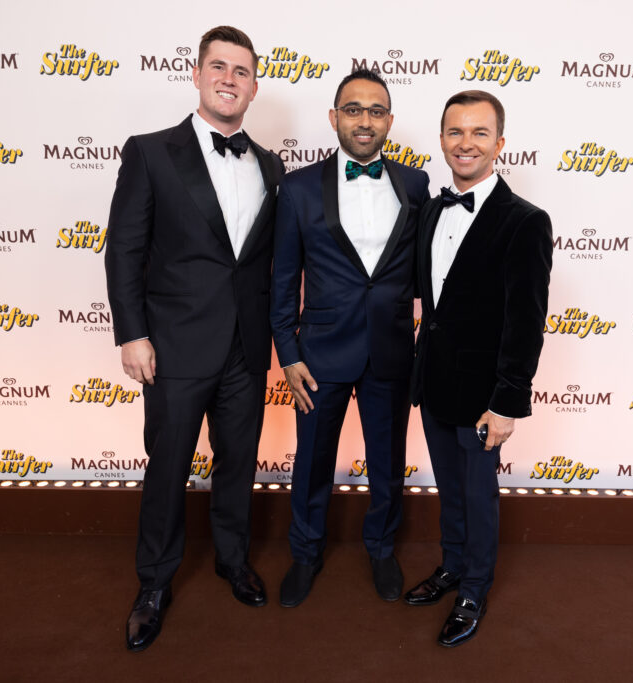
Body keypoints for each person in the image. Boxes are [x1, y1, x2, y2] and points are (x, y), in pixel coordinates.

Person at [105, 25, 285, 652]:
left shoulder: (271, 164)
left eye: (242, 71)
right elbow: (124, 249)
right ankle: (154, 583)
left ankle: (232, 560)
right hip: (175, 345)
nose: (229, 79)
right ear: (197, 74)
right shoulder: (151, 152)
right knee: (168, 467)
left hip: (245, 347)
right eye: (219, 67)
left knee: (238, 462)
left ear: (254, 86)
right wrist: (132, 333)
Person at [270, 69, 430, 607]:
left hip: (391, 349)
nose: (365, 120)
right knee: (312, 461)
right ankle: (305, 553)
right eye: (354, 109)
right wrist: (287, 352)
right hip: (319, 354)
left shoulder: (415, 184)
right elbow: (283, 278)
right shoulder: (297, 188)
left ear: (390, 121)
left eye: (376, 110)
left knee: (388, 461)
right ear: (334, 117)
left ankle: (381, 549)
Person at [406, 90, 553, 647]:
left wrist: (507, 401)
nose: (465, 143)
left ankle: (474, 589)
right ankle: (452, 565)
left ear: (500, 143)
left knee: (477, 494)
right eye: (455, 131)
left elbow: (525, 323)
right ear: (442, 139)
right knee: (449, 487)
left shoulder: (525, 221)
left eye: (479, 132)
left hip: (484, 393)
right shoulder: (431, 210)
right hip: (434, 379)